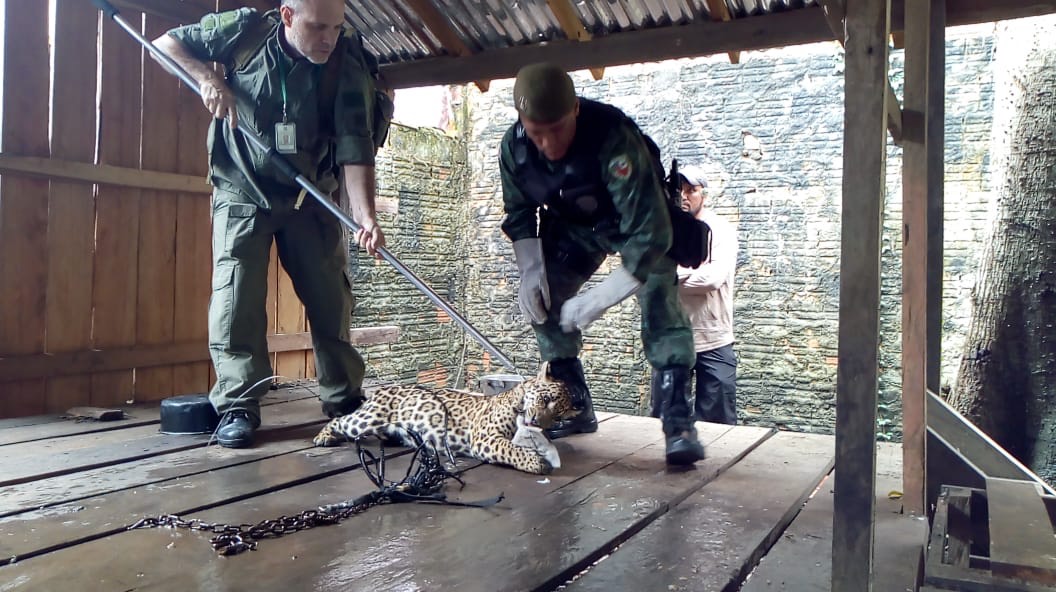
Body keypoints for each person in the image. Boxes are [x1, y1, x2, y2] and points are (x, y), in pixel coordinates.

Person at [153, 0, 391, 448]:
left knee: (330, 295)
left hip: (310, 193)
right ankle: (238, 403)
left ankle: (344, 399)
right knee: (237, 293)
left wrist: (366, 218)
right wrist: (207, 78)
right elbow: (165, 44)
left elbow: (355, 145)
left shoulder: (348, 59)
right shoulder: (245, 33)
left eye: (336, 27)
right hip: (242, 185)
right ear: (287, 16)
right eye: (317, 27)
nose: (328, 38)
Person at [499, 62, 705, 465]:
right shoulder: (515, 149)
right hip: (574, 230)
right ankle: (573, 404)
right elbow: (519, 212)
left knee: (660, 301)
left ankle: (679, 423)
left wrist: (602, 297)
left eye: (556, 129)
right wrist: (531, 272)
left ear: (575, 109)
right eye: (537, 132)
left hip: (636, 226)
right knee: (544, 299)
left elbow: (650, 234)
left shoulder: (613, 139)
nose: (547, 143)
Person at [675, 166, 738, 425]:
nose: (683, 196)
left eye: (691, 190)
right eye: (678, 190)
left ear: (704, 194)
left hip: (713, 338)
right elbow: (648, 276)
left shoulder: (721, 230)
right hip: (673, 339)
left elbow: (713, 278)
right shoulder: (663, 231)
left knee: (718, 424)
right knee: (665, 422)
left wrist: (671, 277)